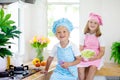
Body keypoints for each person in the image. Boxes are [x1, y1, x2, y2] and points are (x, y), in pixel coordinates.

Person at [77, 13, 105, 80]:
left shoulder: (100, 36)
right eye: (91, 22)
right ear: (88, 23)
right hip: (85, 56)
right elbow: (81, 48)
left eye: (95, 23)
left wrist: (96, 57)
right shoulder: (84, 35)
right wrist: (83, 55)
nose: (92, 24)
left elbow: (102, 51)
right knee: (80, 68)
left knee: (92, 68)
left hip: (96, 56)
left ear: (98, 25)